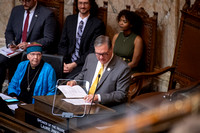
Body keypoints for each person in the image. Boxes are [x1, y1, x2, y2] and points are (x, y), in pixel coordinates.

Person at [0, 0, 57, 92]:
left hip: (33, 51)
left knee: (24, 62)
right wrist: (11, 43)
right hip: (16, 50)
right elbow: (9, 31)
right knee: (1, 59)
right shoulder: (16, 10)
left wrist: (29, 44)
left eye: (27, 1)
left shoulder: (46, 14)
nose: (24, 3)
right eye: (21, 0)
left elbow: (49, 39)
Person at [67, 35, 131, 107]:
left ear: (111, 49)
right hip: (84, 102)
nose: (101, 57)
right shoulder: (90, 58)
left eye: (104, 54)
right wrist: (75, 81)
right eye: (98, 54)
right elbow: (83, 73)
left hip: (105, 108)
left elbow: (121, 94)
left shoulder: (123, 68)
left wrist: (99, 97)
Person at [58, 0, 105, 79]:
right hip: (66, 61)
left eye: (86, 3)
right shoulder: (70, 20)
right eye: (80, 3)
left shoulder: (97, 24)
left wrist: (74, 64)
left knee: (68, 81)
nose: (82, 6)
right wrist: (62, 62)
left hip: (83, 63)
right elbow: (62, 44)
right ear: (76, 4)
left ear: (90, 5)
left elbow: (92, 50)